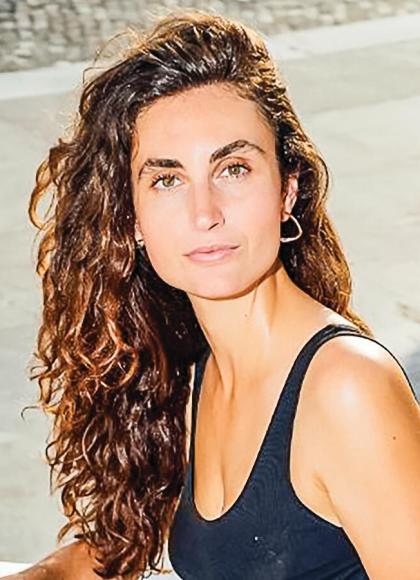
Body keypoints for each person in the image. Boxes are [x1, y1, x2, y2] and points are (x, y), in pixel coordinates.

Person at [5, 8, 420, 580]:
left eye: (233, 168)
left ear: (286, 191)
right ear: (132, 220)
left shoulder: (345, 388)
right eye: (167, 179)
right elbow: (119, 545)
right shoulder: (196, 372)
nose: (205, 214)